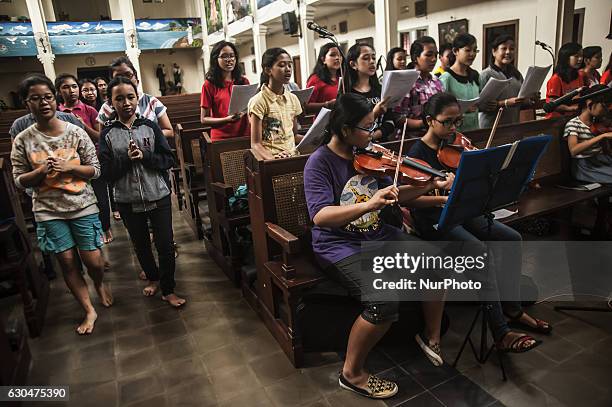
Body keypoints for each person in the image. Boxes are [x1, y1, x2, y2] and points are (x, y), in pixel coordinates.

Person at [304, 93, 453, 398]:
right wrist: (368, 205)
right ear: (345, 130)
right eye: (367, 128)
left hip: (377, 235)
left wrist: (427, 185)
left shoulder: (370, 156)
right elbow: (321, 217)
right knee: (384, 300)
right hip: (338, 245)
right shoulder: (319, 163)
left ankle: (431, 337)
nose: (374, 135)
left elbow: (398, 194)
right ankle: (352, 372)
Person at [408, 92, 549, 354]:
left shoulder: (457, 147)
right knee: (479, 252)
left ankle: (513, 310)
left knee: (512, 239)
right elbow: (412, 202)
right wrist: (442, 198)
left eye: (457, 122)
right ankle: (501, 333)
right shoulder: (416, 154)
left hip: (464, 212)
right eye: (447, 122)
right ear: (429, 121)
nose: (453, 129)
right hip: (436, 221)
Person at [10, 74, 112, 335]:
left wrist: (71, 167)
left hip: (82, 204)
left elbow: (96, 170)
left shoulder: (75, 131)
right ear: (26, 103)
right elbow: (19, 180)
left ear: (54, 99)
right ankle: (89, 308)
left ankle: (98, 282)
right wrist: (41, 171)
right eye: (35, 98)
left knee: (94, 261)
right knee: (66, 261)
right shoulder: (23, 139)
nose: (43, 102)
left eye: (47, 96)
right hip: (47, 209)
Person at [99, 76, 186, 308]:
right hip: (127, 199)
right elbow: (106, 172)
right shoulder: (107, 133)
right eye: (119, 98)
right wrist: (126, 160)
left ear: (137, 98)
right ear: (111, 102)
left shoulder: (150, 126)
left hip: (158, 195)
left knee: (166, 245)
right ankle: (154, 277)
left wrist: (145, 156)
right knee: (141, 245)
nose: (126, 102)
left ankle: (168, 289)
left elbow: (168, 159)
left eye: (130, 97)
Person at [56, 73, 113, 244]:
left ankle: (106, 228)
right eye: (66, 87)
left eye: (74, 86)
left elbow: (100, 137)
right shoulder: (57, 112)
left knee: (101, 199)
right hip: (69, 163)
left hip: (92, 160)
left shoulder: (90, 110)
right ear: (59, 91)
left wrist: (82, 125)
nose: (71, 90)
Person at [97, 56, 174, 138]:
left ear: (136, 79)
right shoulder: (106, 108)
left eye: (128, 75)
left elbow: (169, 131)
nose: (124, 80)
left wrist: (146, 137)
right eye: (118, 77)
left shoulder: (152, 102)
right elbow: (102, 138)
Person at [248, 47, 303, 160]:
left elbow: (294, 135)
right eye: (282, 65)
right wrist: (274, 160)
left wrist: (316, 139)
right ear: (268, 70)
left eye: (289, 65)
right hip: (271, 160)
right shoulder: (258, 101)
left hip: (292, 157)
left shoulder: (293, 98)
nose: (288, 69)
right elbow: (256, 144)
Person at [479, 35, 537, 128]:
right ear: (494, 52)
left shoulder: (517, 75)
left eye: (512, 49)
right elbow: (480, 106)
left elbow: (521, 102)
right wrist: (505, 103)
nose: (508, 52)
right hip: (490, 128)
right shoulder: (486, 74)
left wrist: (529, 99)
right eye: (504, 48)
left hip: (512, 127)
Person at [200, 41, 250, 141]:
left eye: (232, 56)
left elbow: (248, 108)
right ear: (216, 59)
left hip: (245, 134)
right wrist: (226, 120)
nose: (229, 60)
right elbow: (204, 119)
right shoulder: (209, 85)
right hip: (221, 137)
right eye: (224, 56)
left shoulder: (243, 81)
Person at [345, 42, 395, 141]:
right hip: (358, 148)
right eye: (366, 58)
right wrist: (374, 113)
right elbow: (351, 128)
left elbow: (390, 122)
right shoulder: (347, 94)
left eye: (373, 58)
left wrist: (374, 136)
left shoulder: (381, 89)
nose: (372, 61)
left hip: (382, 144)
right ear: (353, 64)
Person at [564, 84, 612, 183]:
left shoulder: (597, 123)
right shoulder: (573, 124)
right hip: (585, 167)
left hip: (601, 160)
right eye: (604, 106)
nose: (606, 111)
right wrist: (602, 136)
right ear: (589, 103)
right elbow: (574, 150)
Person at [439, 33, 486, 131]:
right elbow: (441, 110)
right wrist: (462, 110)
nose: (472, 54)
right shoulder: (446, 78)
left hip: (475, 130)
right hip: (454, 133)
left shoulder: (475, 75)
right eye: (468, 50)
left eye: (475, 50)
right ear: (455, 51)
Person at [395, 36, 444, 130]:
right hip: (412, 139)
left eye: (435, 55)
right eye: (429, 55)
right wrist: (425, 123)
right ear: (415, 57)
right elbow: (398, 118)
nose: (434, 59)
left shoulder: (437, 82)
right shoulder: (406, 82)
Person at [545, 42, 586, 119]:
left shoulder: (579, 76)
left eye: (581, 56)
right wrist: (570, 108)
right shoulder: (556, 79)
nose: (580, 59)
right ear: (566, 58)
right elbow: (552, 105)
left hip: (573, 117)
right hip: (555, 120)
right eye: (576, 56)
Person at [305, 42, 342, 113]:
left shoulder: (342, 77)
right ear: (323, 60)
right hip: (324, 122)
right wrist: (327, 105)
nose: (337, 58)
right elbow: (306, 106)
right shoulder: (315, 79)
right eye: (333, 55)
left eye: (340, 55)